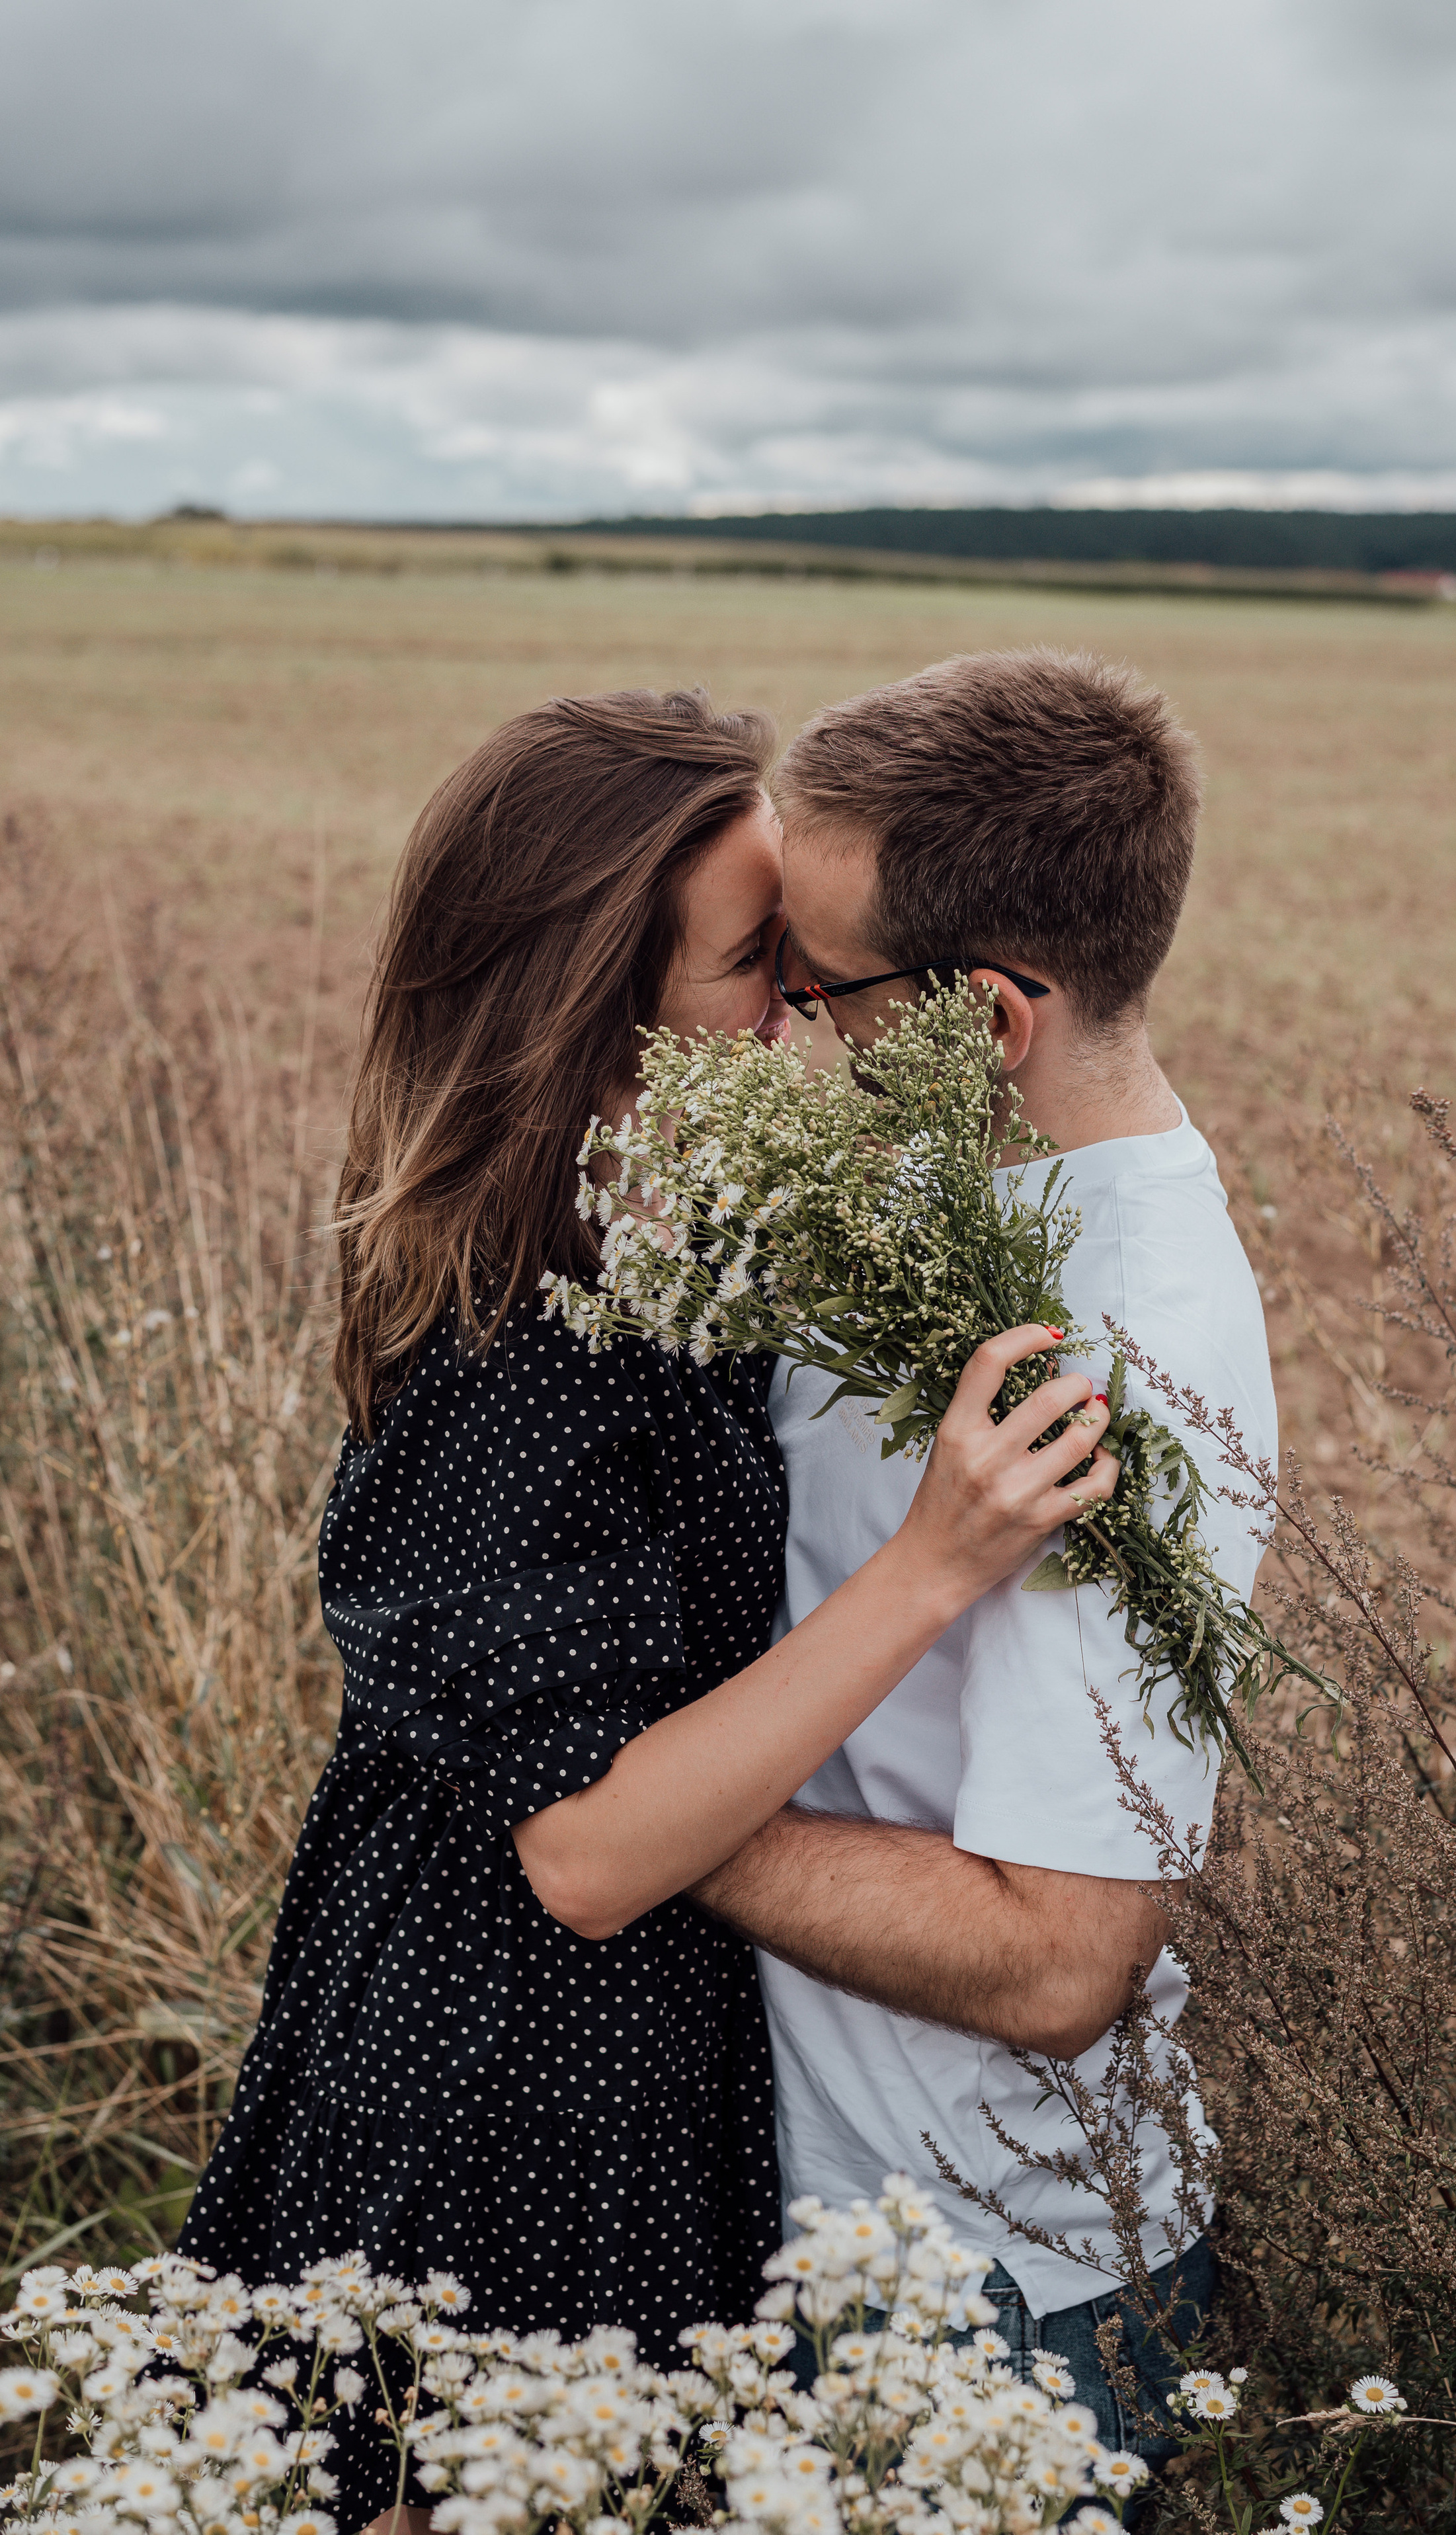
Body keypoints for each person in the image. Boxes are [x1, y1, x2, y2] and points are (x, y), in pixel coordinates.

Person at [175, 686, 1121, 2535]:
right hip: (492, 2112)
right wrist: (933, 1563)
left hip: (644, 2085)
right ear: (603, 1038)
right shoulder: (507, 1360)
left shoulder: (664, 1262)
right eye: (760, 965)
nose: (814, 1007)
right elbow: (592, 1847)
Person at [692, 649, 1277, 2479]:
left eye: (820, 983)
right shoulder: (949, 1188)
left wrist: (614, 1806)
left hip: (992, 2293)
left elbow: (1056, 1958)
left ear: (992, 1017)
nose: (783, 1022)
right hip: (827, 2215)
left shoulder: (1124, 1355)